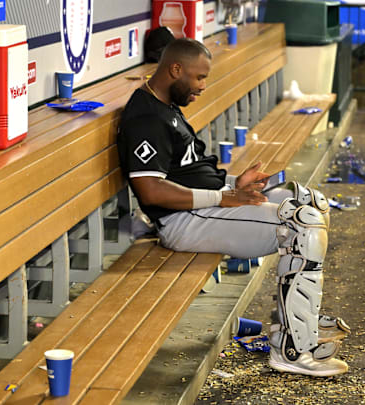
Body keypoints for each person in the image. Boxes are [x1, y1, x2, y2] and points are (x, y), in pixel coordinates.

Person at [117, 38, 350, 376]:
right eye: (199, 78)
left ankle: (297, 325)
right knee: (303, 224)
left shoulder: (165, 105)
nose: (202, 86)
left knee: (310, 202)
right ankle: (292, 350)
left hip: (206, 207)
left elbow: (189, 172)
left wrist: (234, 184)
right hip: (183, 221)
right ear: (176, 69)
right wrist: (224, 197)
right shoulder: (144, 117)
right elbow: (152, 191)